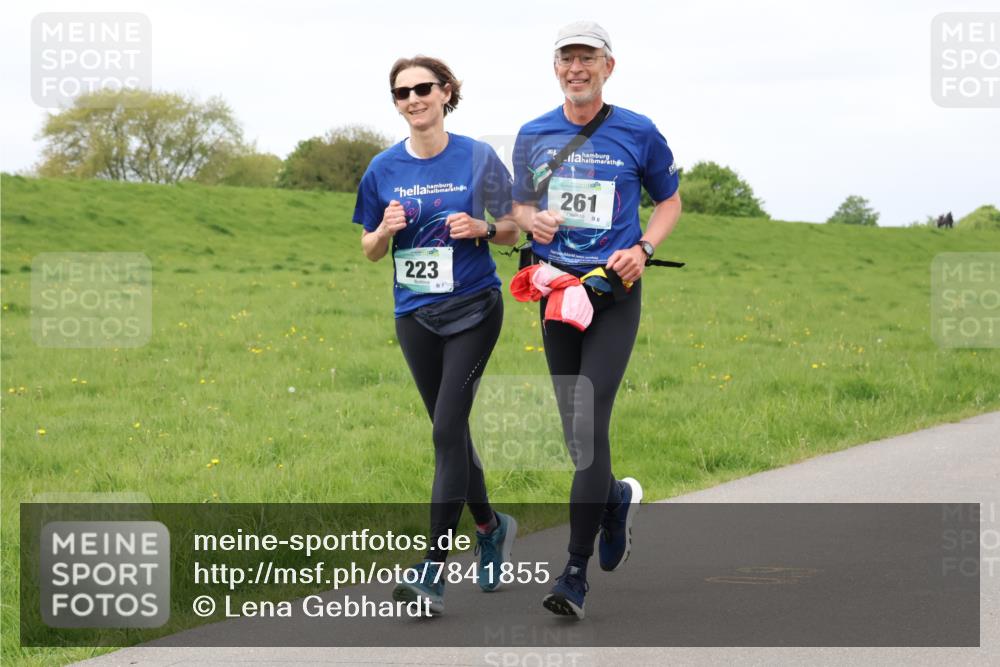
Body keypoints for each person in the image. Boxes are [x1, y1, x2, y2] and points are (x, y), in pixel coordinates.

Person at [511, 21, 682, 619]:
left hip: (613, 292)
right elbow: (521, 204)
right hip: (557, 291)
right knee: (575, 431)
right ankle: (615, 499)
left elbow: (669, 200)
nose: (576, 68)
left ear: (609, 66)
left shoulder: (639, 131)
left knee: (588, 421)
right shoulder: (534, 134)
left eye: (587, 58)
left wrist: (645, 249)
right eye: (566, 59)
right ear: (555, 68)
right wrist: (533, 222)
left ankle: (574, 573)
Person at [353, 55, 521, 615]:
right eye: (401, 93)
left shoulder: (477, 156)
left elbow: (516, 225)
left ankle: (431, 570)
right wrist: (383, 230)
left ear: (446, 93)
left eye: (423, 89)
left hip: (475, 307)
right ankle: (491, 527)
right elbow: (370, 249)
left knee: (448, 428)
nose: (413, 100)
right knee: (450, 434)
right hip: (414, 317)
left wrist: (483, 226)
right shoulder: (381, 168)